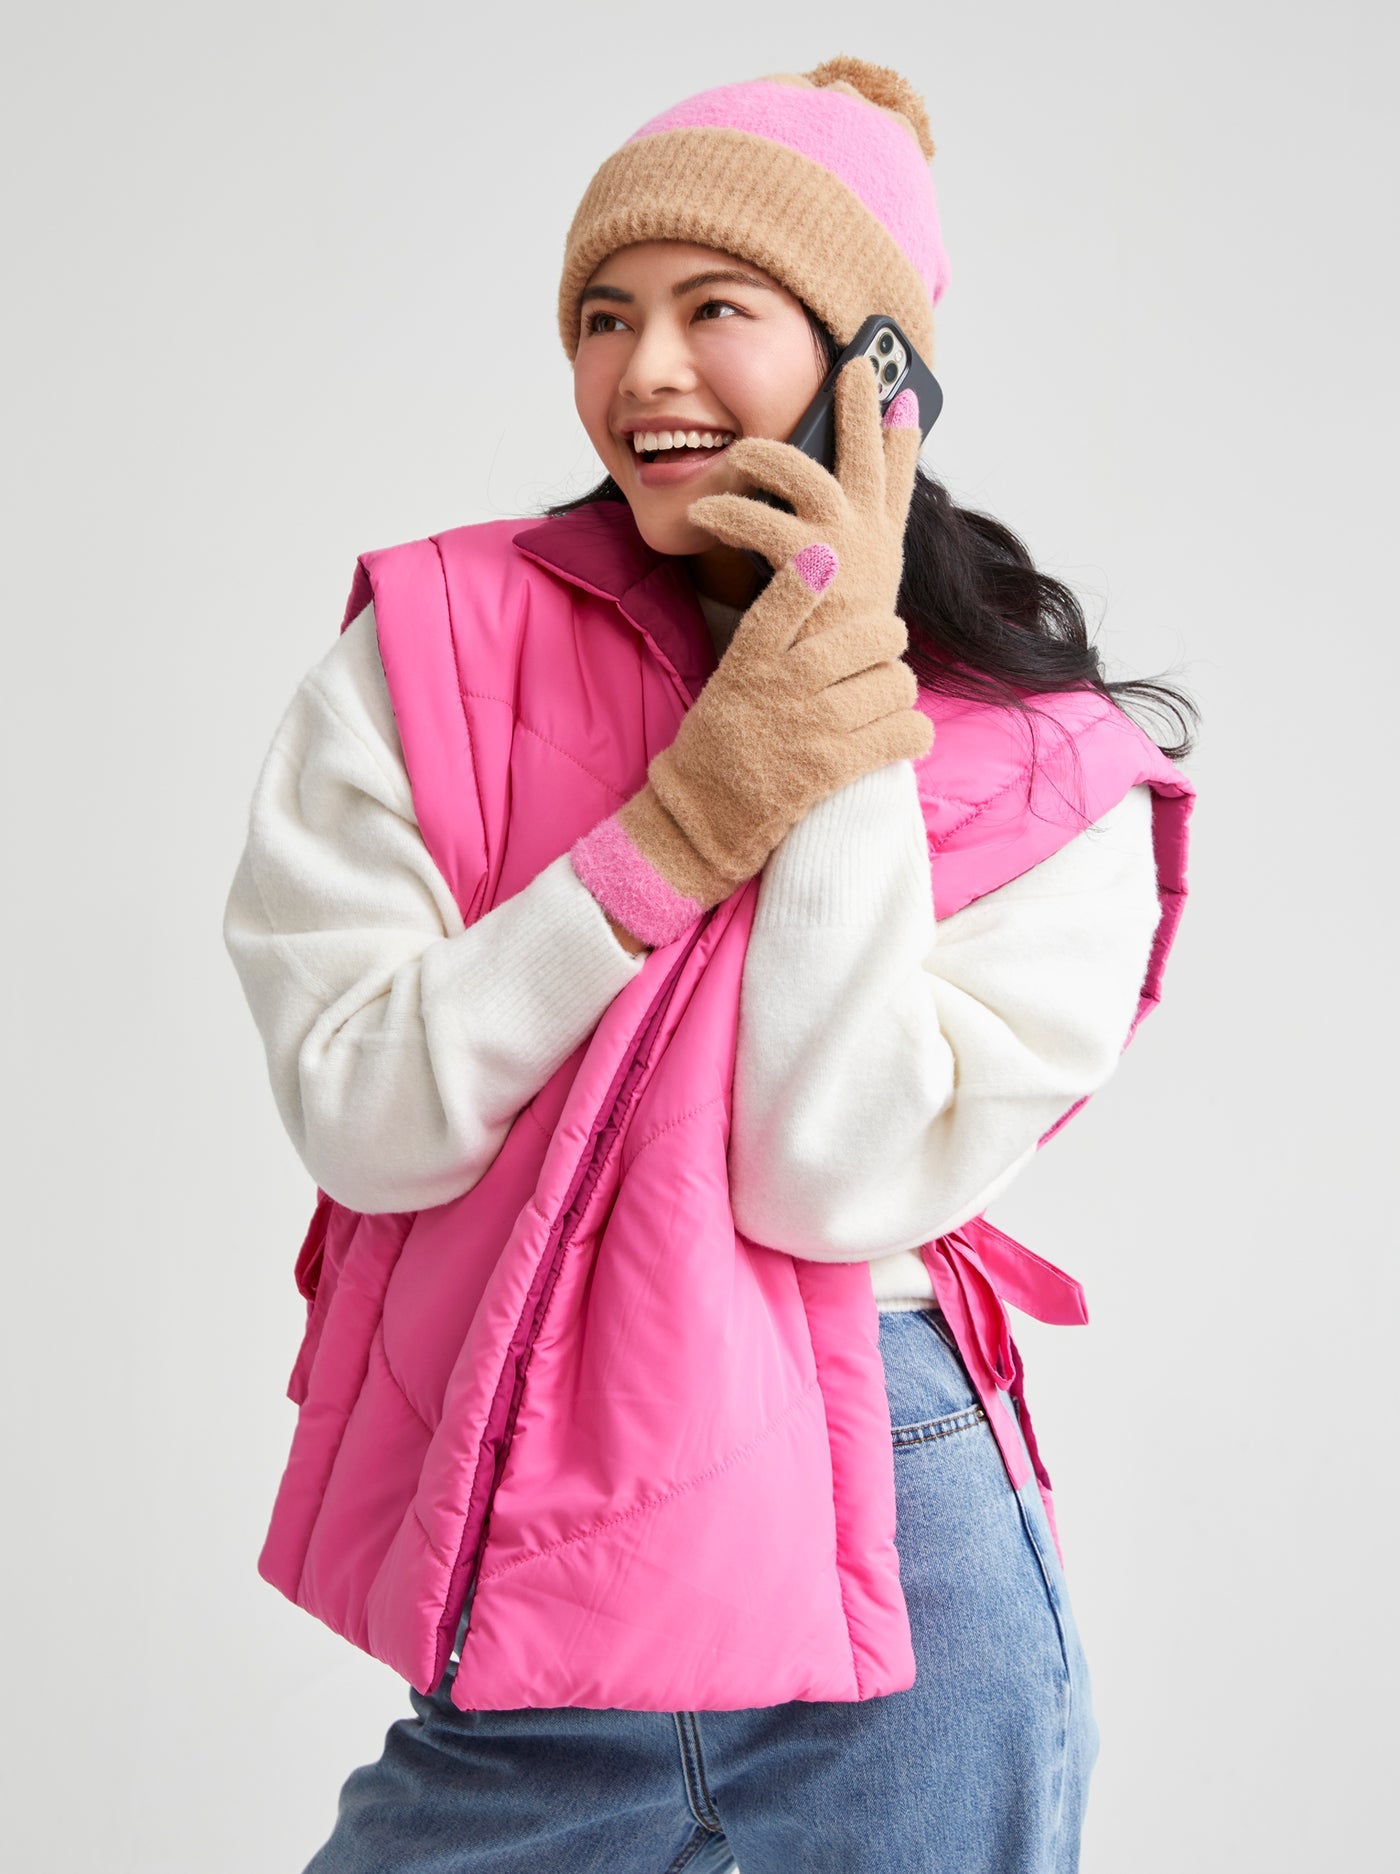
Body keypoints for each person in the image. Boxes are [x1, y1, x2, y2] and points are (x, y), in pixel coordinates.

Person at [224, 56, 1197, 1874]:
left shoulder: (1050, 769)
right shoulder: (431, 651)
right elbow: (366, 1113)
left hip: (905, 1556)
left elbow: (826, 1174)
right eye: (604, 315)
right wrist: (669, 838)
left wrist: (837, 706)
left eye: (716, 308)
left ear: (877, 364)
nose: (645, 371)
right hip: (549, 1556)